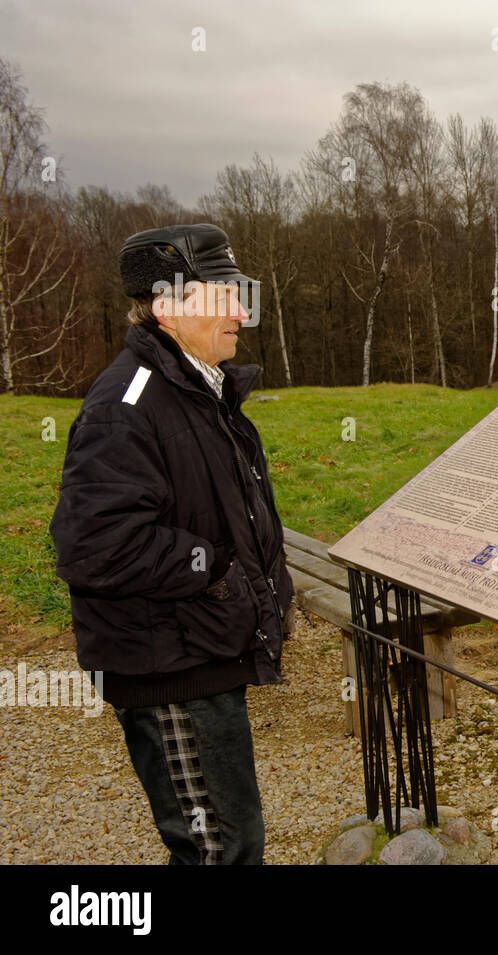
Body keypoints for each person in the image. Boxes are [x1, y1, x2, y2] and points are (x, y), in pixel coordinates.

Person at [49, 223, 295, 864]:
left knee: (225, 842)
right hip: (170, 671)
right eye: (223, 295)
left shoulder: (197, 388)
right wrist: (217, 569)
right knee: (218, 849)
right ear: (167, 306)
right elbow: (93, 545)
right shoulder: (127, 404)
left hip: (200, 651)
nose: (241, 311)